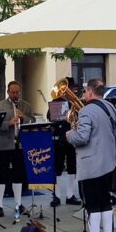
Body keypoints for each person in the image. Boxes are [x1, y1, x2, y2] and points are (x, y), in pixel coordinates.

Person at [66, 78, 116, 232]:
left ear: (89, 92)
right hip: (108, 161)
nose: (83, 95)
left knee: (92, 204)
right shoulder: (111, 107)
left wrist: (69, 134)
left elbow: (82, 137)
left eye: (85, 92)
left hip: (91, 164)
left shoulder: (86, 111)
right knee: (105, 202)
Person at [0, 81, 34, 218]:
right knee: (2, 174)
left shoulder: (26, 105)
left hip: (20, 145)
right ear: (8, 92)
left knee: (18, 174)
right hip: (4, 145)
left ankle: (18, 204)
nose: (16, 95)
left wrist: (24, 118)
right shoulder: (0, 106)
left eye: (17, 92)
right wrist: (9, 123)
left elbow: (33, 121)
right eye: (13, 92)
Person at [47, 79, 81, 207]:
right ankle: (56, 196)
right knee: (58, 167)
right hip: (58, 138)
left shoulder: (74, 103)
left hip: (71, 137)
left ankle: (70, 195)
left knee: (72, 166)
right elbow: (49, 117)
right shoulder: (55, 102)